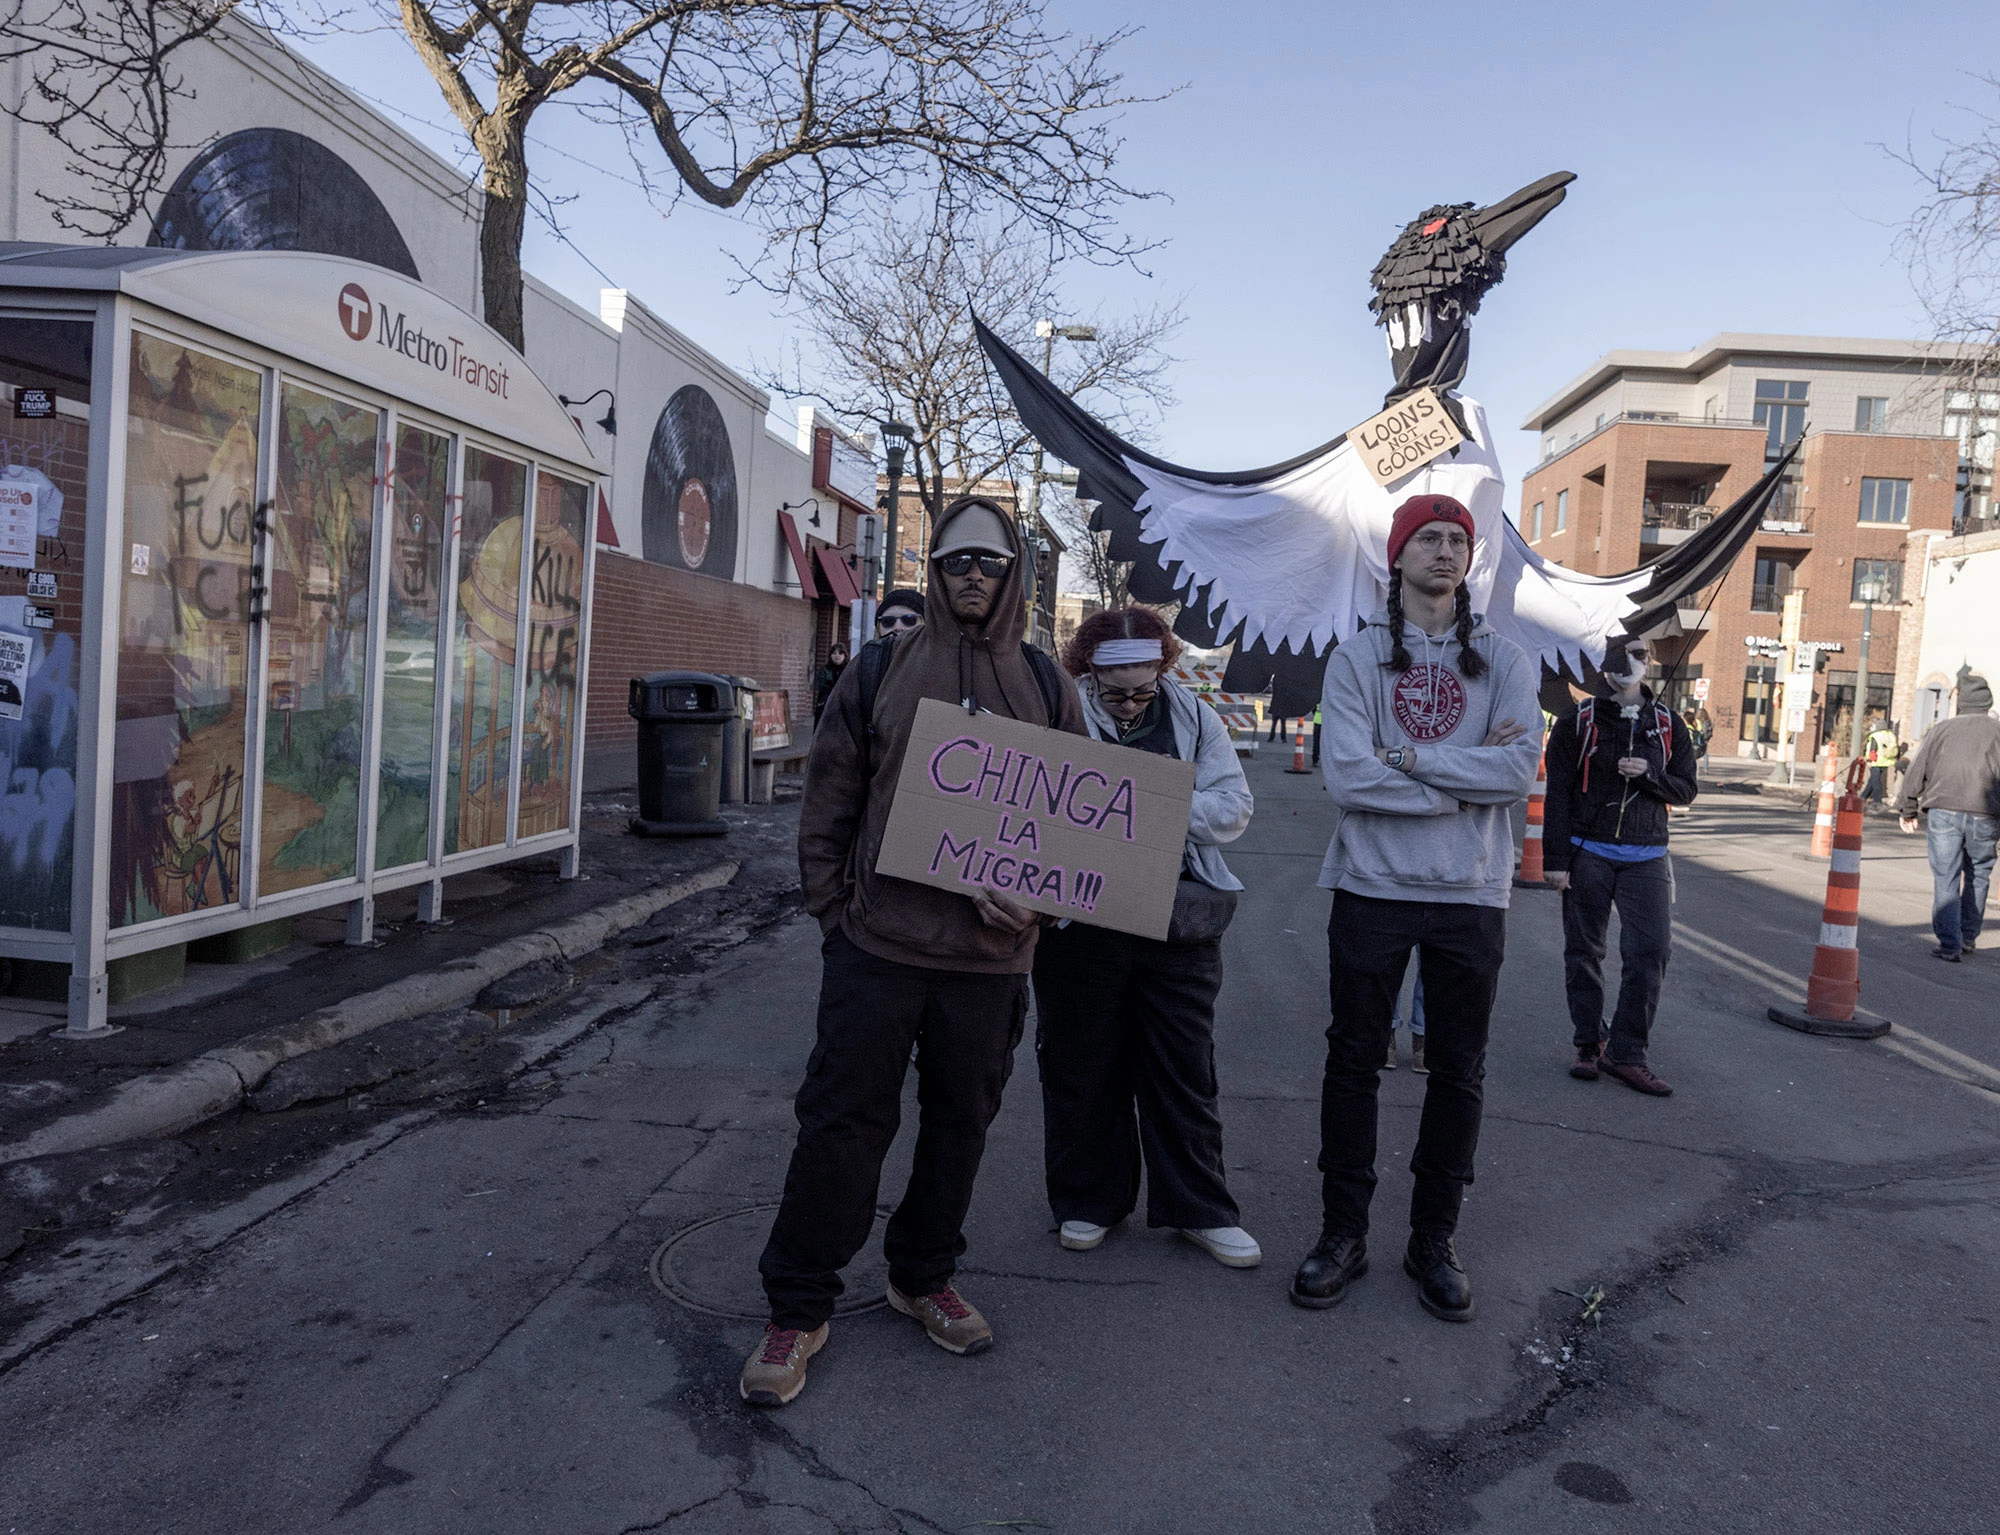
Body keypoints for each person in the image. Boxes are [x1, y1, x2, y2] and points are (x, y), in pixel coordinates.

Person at [743, 497, 1086, 1406]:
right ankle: (798, 1306)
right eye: (955, 562)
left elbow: (1077, 839)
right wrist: (834, 918)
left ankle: (922, 1274)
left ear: (1014, 576)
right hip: (878, 949)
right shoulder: (881, 668)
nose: (972, 576)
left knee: (958, 1128)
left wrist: (1038, 909)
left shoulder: (1051, 688)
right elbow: (828, 802)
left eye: (989, 563)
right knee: (840, 1128)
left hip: (990, 963)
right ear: (934, 572)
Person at [1290, 493, 1542, 1325]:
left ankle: (1434, 1238)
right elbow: (1346, 776)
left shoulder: (1506, 659)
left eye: (1457, 539)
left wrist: (1407, 757)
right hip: (1373, 887)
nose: (1444, 550)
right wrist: (1451, 782)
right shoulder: (1356, 659)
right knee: (1351, 1062)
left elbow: (1515, 776)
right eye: (1427, 538)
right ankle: (1342, 1233)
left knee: (1458, 1071)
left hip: (1472, 894)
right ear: (1396, 556)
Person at [1034, 605, 1260, 1269]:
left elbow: (1234, 806)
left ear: (1163, 672)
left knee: (1184, 1064)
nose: (1130, 705)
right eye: (1116, 692)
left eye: (1143, 689)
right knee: (1080, 1060)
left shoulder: (1193, 716)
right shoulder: (1061, 711)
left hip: (1175, 917)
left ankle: (1201, 1208)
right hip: (1079, 919)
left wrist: (1147, 803)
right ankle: (1086, 1201)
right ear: (1089, 677)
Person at [1543, 634, 1698, 1096]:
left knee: (1651, 952)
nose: (1627, 663)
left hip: (1647, 855)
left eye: (1637, 654)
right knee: (1585, 952)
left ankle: (1627, 1052)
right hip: (1587, 852)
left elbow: (1686, 789)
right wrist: (1556, 861)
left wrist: (1649, 776)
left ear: (1649, 662)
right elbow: (1558, 794)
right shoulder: (1578, 720)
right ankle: (1589, 1043)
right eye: (1617, 655)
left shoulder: (1670, 724)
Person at [1897, 669, 2000, 963]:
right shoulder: (1998, 732)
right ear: (1987, 702)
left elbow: (1917, 771)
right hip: (1986, 813)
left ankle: (1949, 944)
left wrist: (1908, 808)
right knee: (1979, 874)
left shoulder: (1941, 730)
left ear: (1961, 703)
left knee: (1947, 876)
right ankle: (1968, 937)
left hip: (1944, 810)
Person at [1862, 717, 1899, 806]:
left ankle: (1877, 800)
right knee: (1872, 780)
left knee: (1876, 781)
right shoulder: (1890, 735)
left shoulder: (1875, 736)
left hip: (1876, 761)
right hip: (1886, 761)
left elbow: (1873, 749)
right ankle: (1863, 797)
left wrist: (1870, 760)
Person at [811, 642, 849, 727]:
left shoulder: (848, 670)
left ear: (844, 655)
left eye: (840, 653)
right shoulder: (825, 670)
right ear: (830, 655)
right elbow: (821, 686)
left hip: (843, 705)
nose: (837, 656)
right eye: (834, 653)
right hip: (826, 704)